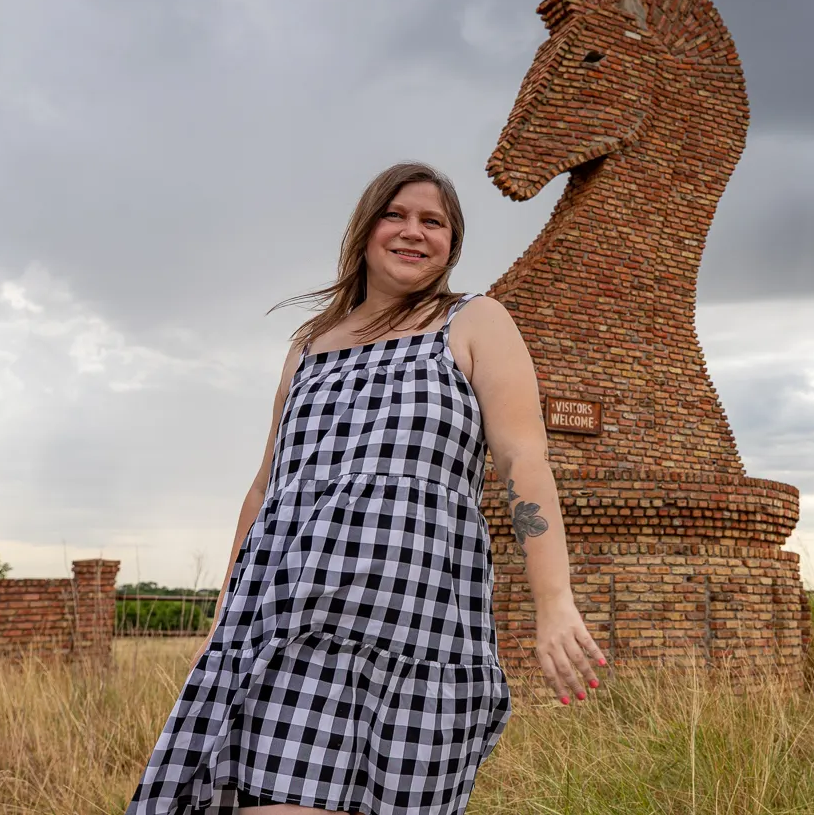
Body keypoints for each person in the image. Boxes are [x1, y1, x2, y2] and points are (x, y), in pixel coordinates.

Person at [127, 162, 605, 815]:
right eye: (396, 215)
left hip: (420, 633)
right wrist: (222, 617)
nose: (414, 232)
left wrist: (554, 600)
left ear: (452, 242)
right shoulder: (310, 345)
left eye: (432, 221)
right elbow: (269, 484)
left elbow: (523, 457)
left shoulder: (473, 322)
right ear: (365, 228)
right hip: (296, 625)